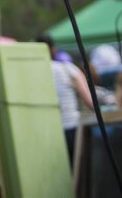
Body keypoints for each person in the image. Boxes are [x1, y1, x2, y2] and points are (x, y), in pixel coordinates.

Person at [38, 34, 94, 162]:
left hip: (50, 134)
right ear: (53, 49)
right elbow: (89, 101)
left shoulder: (35, 73)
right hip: (72, 128)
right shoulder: (67, 68)